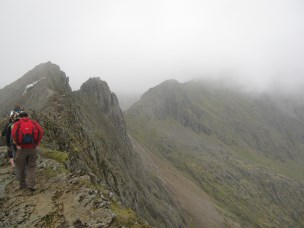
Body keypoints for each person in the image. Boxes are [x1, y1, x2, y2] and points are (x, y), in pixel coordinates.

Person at [12, 111, 44, 191]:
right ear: (27, 116)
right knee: (31, 166)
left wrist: (17, 144)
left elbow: (13, 134)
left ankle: (23, 185)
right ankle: (31, 185)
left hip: (21, 149)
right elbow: (41, 132)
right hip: (32, 148)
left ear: (20, 117)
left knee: (20, 166)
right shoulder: (33, 122)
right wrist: (37, 143)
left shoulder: (18, 123)